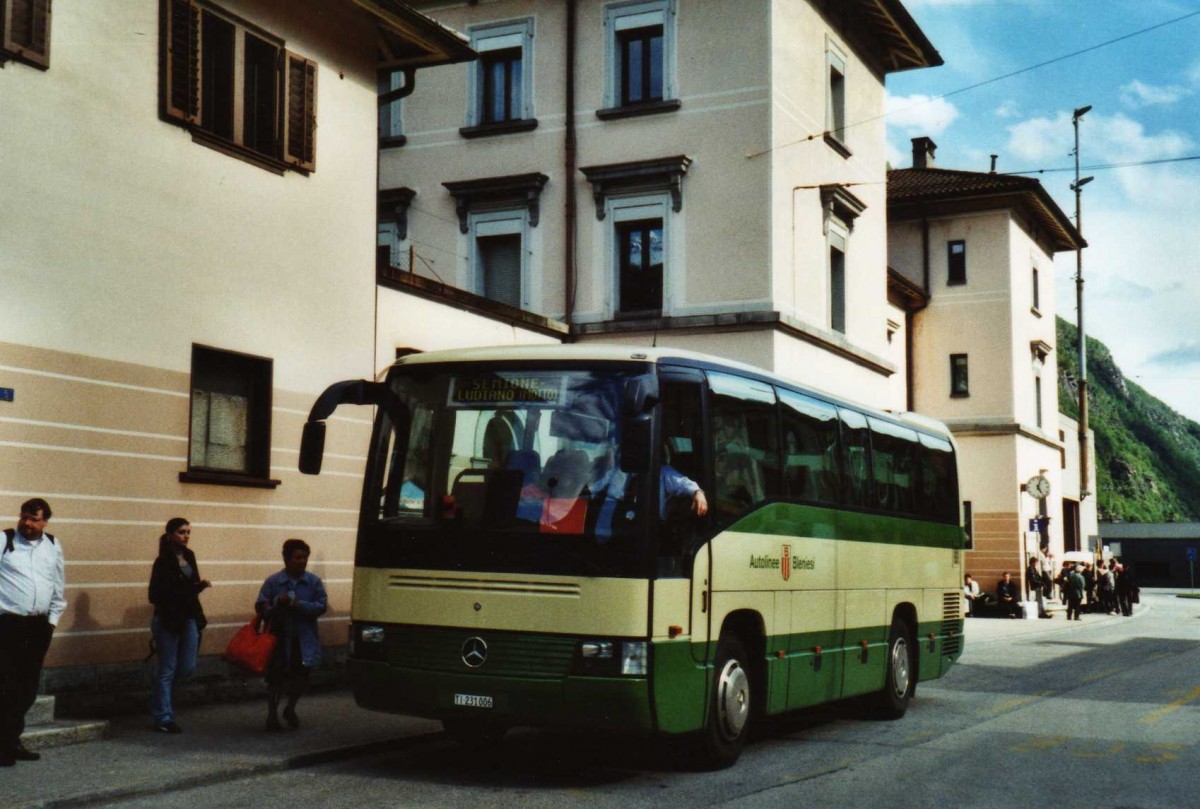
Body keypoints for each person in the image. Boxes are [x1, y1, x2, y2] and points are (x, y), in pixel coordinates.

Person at [0, 498, 66, 765]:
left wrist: (51, 622)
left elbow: (58, 586)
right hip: (8, 625)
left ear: (45, 521)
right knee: (5, 686)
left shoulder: (53, 545)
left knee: (26, 690)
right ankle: (3, 746)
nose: (27, 523)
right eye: (24, 517)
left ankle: (12, 741)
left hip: (38, 627)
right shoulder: (5, 540)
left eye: (34, 519)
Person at [256, 539, 328, 732]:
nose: (302, 561)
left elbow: (321, 606)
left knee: (301, 677)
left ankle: (290, 708)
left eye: (305, 557)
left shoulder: (313, 582)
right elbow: (261, 607)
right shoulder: (273, 581)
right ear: (286, 559)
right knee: (276, 678)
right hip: (278, 638)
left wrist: (300, 605)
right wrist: (275, 603)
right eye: (298, 557)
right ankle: (272, 715)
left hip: (303, 638)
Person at [148, 517, 211, 734]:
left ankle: (160, 701)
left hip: (189, 616)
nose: (185, 536)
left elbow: (191, 586)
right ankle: (163, 716)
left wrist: (199, 586)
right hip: (168, 619)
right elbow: (154, 595)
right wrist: (185, 590)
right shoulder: (162, 561)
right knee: (166, 668)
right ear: (170, 535)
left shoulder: (189, 555)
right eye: (181, 532)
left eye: (188, 532)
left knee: (187, 667)